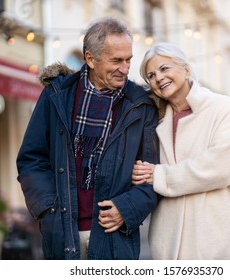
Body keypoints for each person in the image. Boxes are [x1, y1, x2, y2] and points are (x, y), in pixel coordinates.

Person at [16, 17, 159, 260]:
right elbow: (31, 159)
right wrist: (48, 210)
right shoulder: (56, 95)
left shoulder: (141, 105)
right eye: (116, 60)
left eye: (128, 60)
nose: (125, 68)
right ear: (90, 59)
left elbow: (153, 173)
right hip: (61, 234)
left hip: (115, 236)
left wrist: (127, 209)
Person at [131, 42, 230, 259]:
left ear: (186, 69)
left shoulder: (222, 107)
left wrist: (159, 175)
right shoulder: (154, 121)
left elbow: (220, 167)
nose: (158, 78)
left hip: (218, 240)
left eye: (164, 69)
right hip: (170, 243)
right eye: (151, 76)